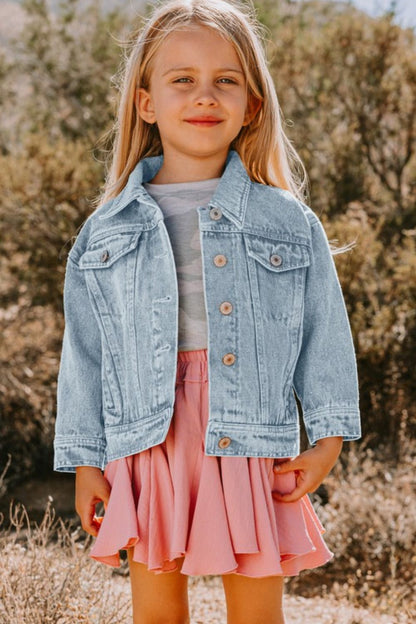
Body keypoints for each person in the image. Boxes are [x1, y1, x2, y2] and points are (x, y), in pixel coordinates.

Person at [53, 0, 361, 622]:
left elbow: (325, 330)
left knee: (256, 612)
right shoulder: (105, 231)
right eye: (182, 80)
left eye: (226, 80)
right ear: (146, 102)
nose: (205, 96)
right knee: (157, 612)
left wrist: (328, 438)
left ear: (252, 104)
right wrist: (88, 460)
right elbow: (85, 353)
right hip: (149, 438)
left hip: (250, 435)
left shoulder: (289, 221)